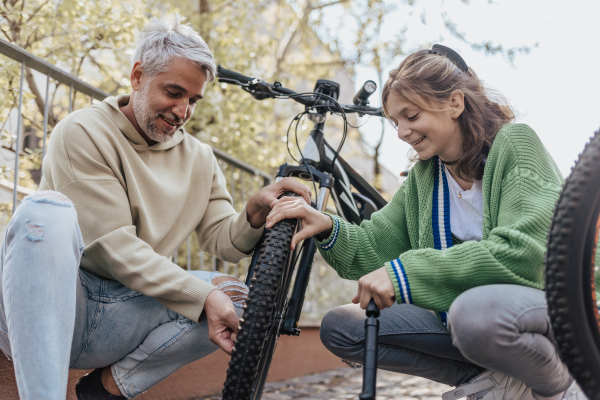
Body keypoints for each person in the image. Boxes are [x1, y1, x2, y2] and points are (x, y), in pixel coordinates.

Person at [0, 16, 310, 400]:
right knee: (44, 210)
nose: (182, 111)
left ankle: (106, 390)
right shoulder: (82, 132)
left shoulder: (200, 158)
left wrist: (252, 214)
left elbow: (223, 242)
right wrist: (201, 296)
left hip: (122, 316)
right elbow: (114, 249)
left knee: (239, 295)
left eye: (193, 100)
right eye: (174, 92)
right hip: (52, 308)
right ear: (137, 76)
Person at [266, 45, 585, 400]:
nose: (402, 131)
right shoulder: (425, 178)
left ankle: (558, 386)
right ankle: (501, 379)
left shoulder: (516, 144)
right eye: (394, 121)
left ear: (455, 103)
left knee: (472, 314)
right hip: (470, 322)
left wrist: (408, 274)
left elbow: (527, 256)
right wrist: (326, 225)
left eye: (411, 116)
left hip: (561, 308)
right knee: (343, 327)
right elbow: (373, 247)